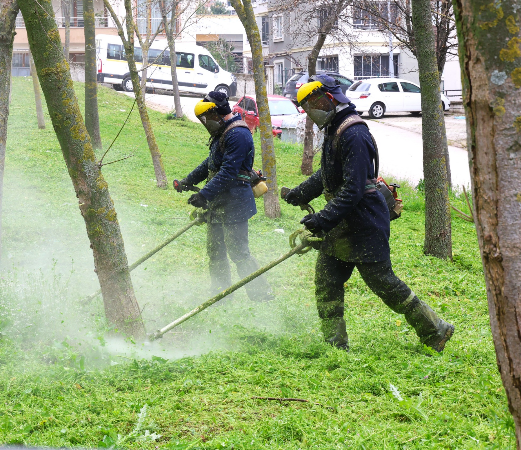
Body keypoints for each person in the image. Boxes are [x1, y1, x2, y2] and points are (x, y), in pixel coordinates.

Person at [283, 75, 454, 352]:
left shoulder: (354, 133)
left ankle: (436, 328)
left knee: (384, 283)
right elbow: (329, 173)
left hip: (364, 222)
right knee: (327, 281)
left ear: (331, 98)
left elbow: (353, 189)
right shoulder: (335, 129)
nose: (312, 111)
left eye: (315, 103)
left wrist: (322, 219)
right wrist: (302, 192)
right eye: (307, 106)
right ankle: (334, 344)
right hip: (342, 223)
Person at [175, 90, 272, 302]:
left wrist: (204, 194)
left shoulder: (238, 134)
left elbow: (228, 171)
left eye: (207, 118)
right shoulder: (223, 131)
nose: (205, 122)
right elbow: (210, 164)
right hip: (219, 200)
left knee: (238, 252)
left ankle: (261, 294)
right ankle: (221, 293)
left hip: (235, 201)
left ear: (219, 113)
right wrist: (188, 181)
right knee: (215, 250)